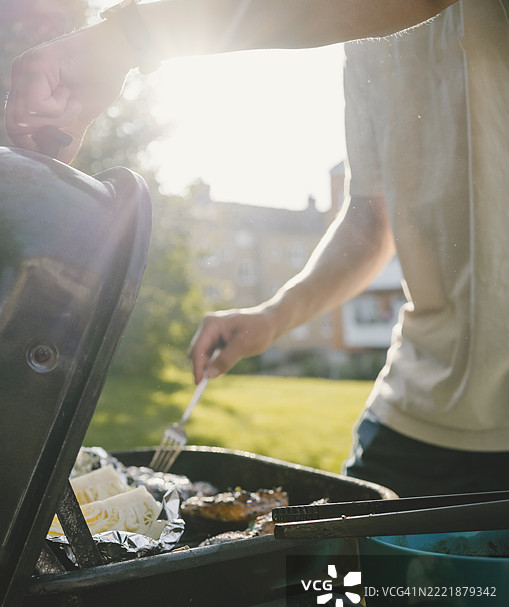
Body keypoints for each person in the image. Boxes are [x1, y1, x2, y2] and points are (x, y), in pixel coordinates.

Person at [189, 0, 509, 498]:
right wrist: (273, 317)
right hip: (413, 414)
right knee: (342, 578)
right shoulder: (360, 35)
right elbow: (369, 221)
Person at [5, 0, 456, 162]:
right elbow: (370, 222)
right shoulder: (368, 57)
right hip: (413, 369)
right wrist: (272, 317)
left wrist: (130, 37)